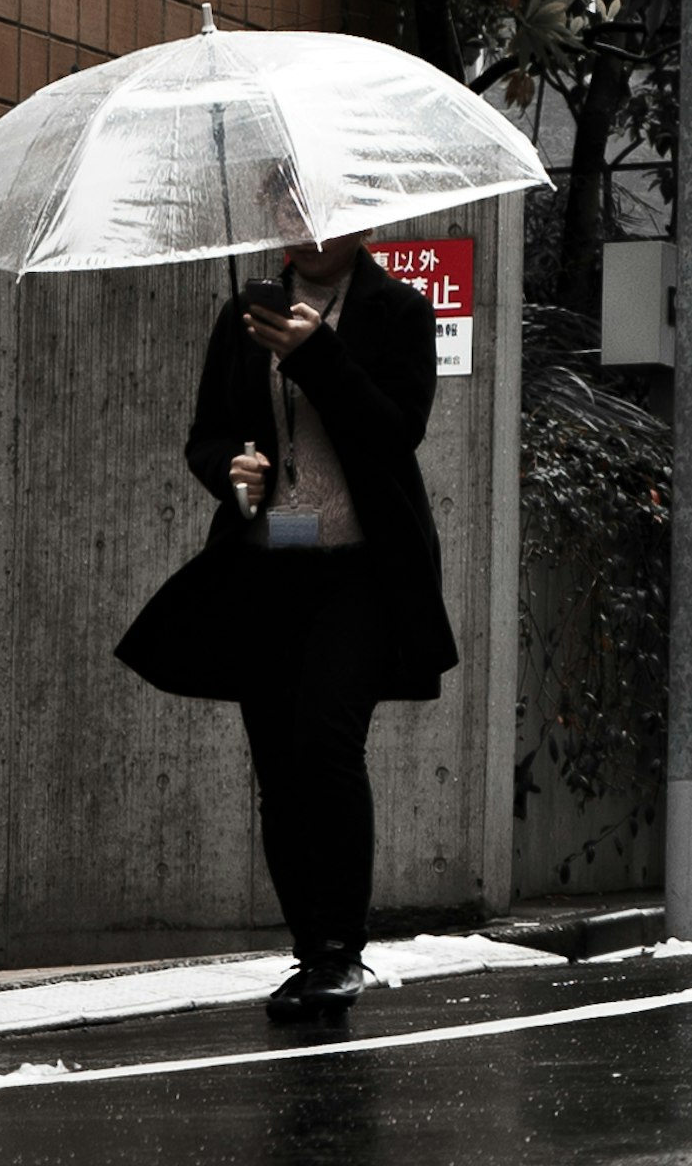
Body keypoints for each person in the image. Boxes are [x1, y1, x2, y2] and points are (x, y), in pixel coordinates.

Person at [114, 230, 456, 1026]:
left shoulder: (396, 310)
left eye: (318, 206)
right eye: (286, 203)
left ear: (359, 222)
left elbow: (395, 428)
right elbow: (208, 434)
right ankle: (309, 949)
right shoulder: (247, 310)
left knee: (325, 741)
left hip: (361, 570)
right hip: (270, 564)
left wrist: (317, 355)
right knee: (277, 764)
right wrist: (233, 472)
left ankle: (341, 948)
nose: (302, 222)